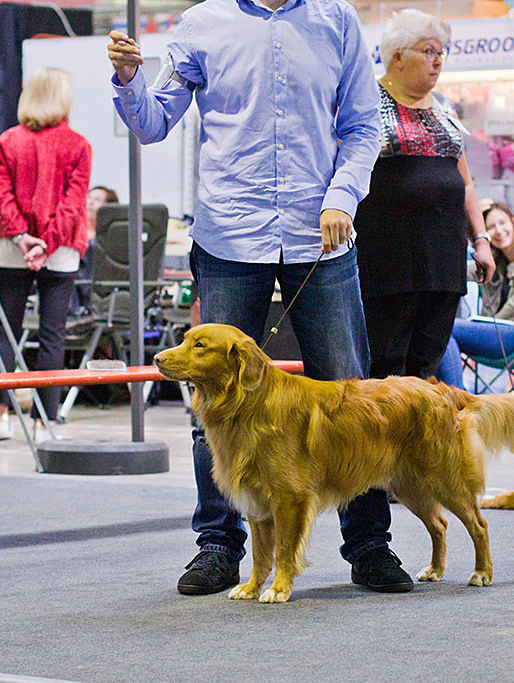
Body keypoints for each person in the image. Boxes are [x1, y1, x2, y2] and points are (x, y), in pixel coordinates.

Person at [107, 0, 414, 597]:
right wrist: (127, 80)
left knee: (351, 397)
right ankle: (218, 547)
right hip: (228, 232)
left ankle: (370, 545)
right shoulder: (200, 23)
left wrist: (342, 197)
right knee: (211, 399)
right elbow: (152, 123)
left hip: (321, 233)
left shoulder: (337, 20)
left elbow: (362, 127)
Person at [354, 9, 495, 384]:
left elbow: (465, 182)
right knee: (385, 365)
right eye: (429, 51)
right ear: (397, 56)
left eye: (441, 52)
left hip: (443, 260)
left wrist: (481, 239)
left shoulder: (444, 107)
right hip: (387, 260)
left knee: (426, 365)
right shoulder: (365, 101)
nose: (438, 61)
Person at [0, 67, 92, 446]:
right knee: (52, 334)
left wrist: (23, 237)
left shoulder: (8, 140)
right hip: (60, 252)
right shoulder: (78, 145)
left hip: (14, 249)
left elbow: (0, 194)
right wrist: (47, 244)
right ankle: (43, 422)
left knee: (4, 331)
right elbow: (74, 203)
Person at [437, 202, 514, 391]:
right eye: (491, 227)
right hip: (507, 331)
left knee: (446, 329)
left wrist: (488, 324)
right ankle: (444, 396)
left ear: (513, 222)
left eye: (502, 223)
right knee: (436, 329)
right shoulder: (496, 259)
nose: (498, 230)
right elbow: (461, 272)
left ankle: (457, 399)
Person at [71, 185, 119, 316]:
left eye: (97, 200)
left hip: (102, 291)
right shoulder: (72, 232)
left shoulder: (113, 237)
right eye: (88, 198)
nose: (90, 203)